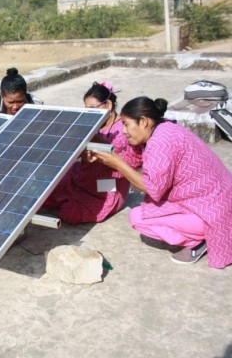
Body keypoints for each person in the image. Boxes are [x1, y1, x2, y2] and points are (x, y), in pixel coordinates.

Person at [90, 96, 232, 268]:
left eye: (126, 125)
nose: (124, 131)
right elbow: (132, 160)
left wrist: (117, 164)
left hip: (214, 212)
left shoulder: (161, 143)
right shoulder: (164, 129)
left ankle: (200, 240)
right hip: (213, 200)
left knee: (138, 217)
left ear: (143, 121)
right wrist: (106, 156)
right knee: (148, 209)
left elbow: (152, 188)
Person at [42, 82, 143, 224]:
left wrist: (92, 136)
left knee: (70, 213)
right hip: (80, 178)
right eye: (87, 110)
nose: (91, 114)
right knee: (43, 195)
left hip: (108, 187)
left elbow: (129, 162)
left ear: (108, 105)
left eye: (93, 108)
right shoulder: (96, 126)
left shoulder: (124, 129)